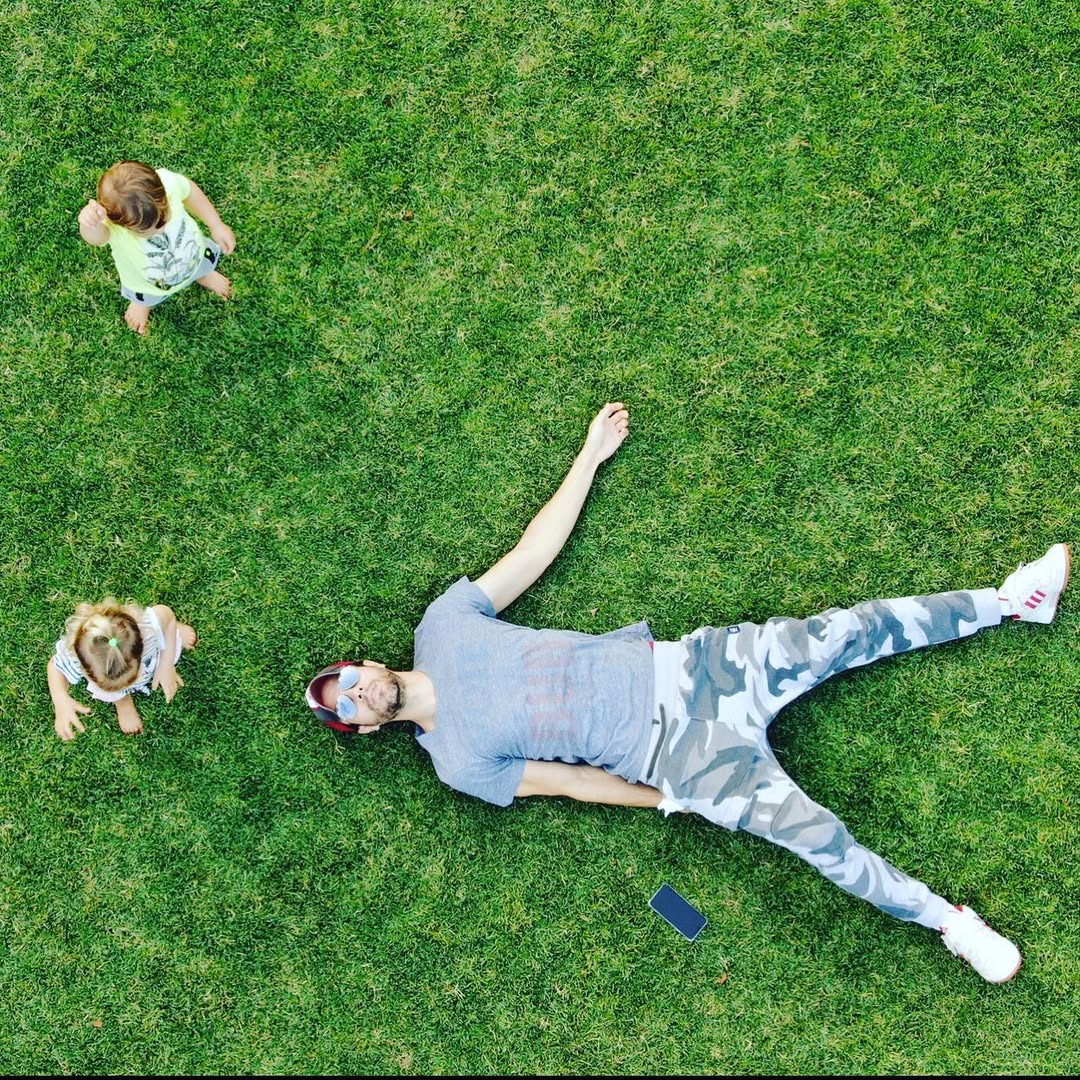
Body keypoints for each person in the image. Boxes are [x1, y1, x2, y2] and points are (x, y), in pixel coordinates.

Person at [306, 403, 1069, 984]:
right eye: (344, 706)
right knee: (816, 839)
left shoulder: (444, 623)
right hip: (678, 755)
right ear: (365, 728)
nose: (356, 693)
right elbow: (570, 785)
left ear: (364, 663)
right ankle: (950, 923)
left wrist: (588, 458)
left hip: (694, 669)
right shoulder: (456, 762)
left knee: (845, 631)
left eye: (346, 679)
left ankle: (1009, 602)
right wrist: (671, 799)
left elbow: (531, 554)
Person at [77, 160, 236, 335]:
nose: (160, 229)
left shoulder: (169, 184)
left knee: (200, 265)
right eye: (147, 229)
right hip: (148, 285)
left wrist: (216, 224)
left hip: (194, 256)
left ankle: (203, 275)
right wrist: (89, 225)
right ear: (122, 224)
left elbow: (190, 192)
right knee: (146, 297)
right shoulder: (113, 228)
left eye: (164, 215)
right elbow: (96, 238)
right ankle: (143, 304)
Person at [48, 597, 196, 740]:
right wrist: (59, 698)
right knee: (115, 692)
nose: (130, 684)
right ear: (85, 669)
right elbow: (55, 667)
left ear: (140, 648)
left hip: (156, 648)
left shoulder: (148, 630)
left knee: (166, 635)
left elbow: (166, 614)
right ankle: (123, 702)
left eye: (132, 676)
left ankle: (175, 631)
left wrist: (166, 664)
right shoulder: (76, 656)